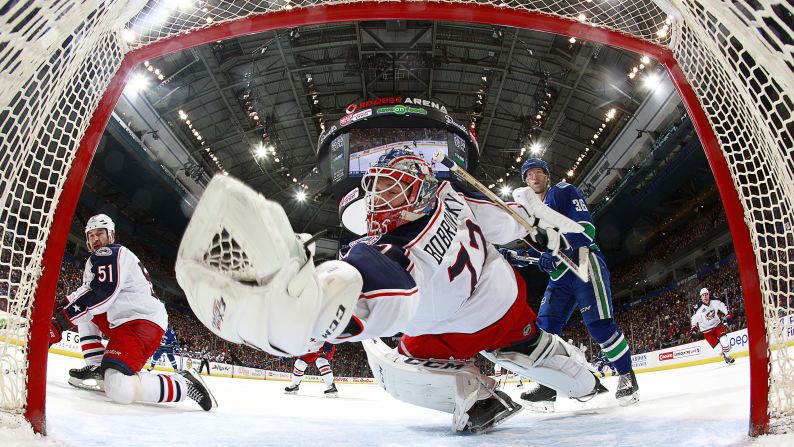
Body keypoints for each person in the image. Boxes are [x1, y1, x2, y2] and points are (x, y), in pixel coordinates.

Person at [178, 147, 608, 434]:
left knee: (396, 361)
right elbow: (507, 222)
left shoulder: (385, 249)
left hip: (443, 335)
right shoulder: (452, 194)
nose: (381, 196)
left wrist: (304, 315)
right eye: (379, 187)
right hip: (505, 304)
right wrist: (533, 222)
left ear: (416, 186)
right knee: (540, 351)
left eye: (391, 185)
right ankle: (570, 370)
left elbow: (369, 296)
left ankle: (476, 396)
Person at [502, 158, 639, 411]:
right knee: (544, 332)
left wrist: (551, 251)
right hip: (560, 276)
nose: (534, 177)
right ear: (524, 181)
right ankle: (548, 387)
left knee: (599, 327)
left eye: (538, 172)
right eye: (529, 174)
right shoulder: (531, 214)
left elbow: (585, 231)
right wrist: (519, 257)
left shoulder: (564, 192)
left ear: (546, 176)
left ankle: (627, 375)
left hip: (585, 263)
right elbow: (546, 253)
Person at [48, 214, 216, 411]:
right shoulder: (101, 258)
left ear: (111, 235)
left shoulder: (110, 253)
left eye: (99, 233)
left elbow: (103, 294)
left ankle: (182, 384)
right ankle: (97, 367)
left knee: (118, 388)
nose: (95, 239)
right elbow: (86, 293)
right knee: (85, 309)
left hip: (142, 323)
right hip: (122, 320)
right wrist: (60, 308)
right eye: (91, 235)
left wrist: (60, 323)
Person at [691, 287, 735, 365]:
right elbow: (694, 319)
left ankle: (728, 357)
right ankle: (725, 356)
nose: (705, 296)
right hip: (707, 332)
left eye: (706, 294)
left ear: (708, 294)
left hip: (717, 326)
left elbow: (723, 306)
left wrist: (728, 315)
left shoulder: (715, 300)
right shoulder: (698, 308)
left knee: (724, 342)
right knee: (720, 352)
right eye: (703, 295)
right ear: (701, 297)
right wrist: (693, 328)